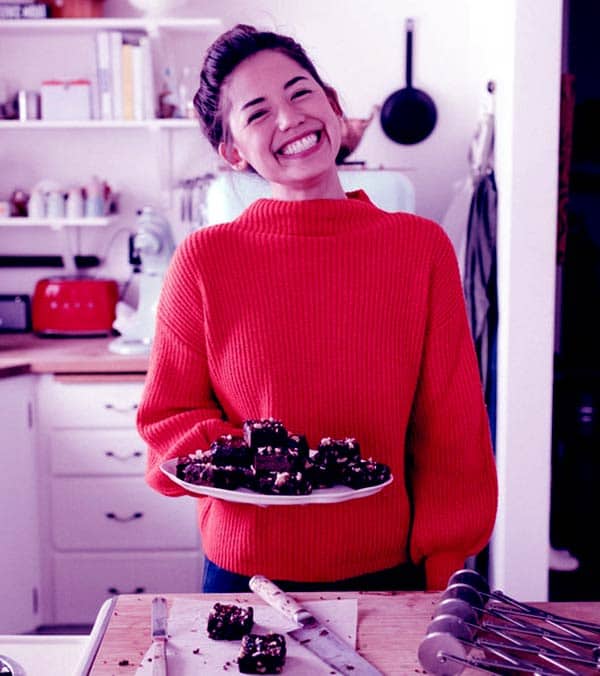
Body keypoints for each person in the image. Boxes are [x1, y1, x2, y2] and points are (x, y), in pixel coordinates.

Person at [137, 23, 498, 594]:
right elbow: (167, 421)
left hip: (390, 573)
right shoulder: (205, 260)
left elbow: (451, 429)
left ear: (331, 105)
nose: (289, 118)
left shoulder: (419, 248)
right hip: (245, 576)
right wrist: (266, 466)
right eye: (256, 113)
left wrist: (444, 572)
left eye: (300, 92)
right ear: (231, 151)